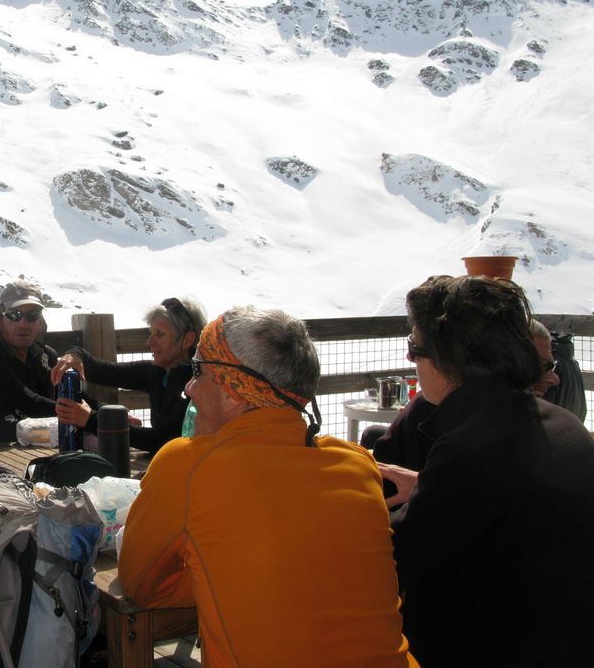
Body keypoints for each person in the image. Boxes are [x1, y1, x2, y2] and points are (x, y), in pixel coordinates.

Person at [118, 306, 417, 667]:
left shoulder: (188, 466)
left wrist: (208, 573)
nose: (188, 388)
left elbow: (142, 586)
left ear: (233, 391)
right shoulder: (357, 466)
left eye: (198, 371)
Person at [380, 276, 594, 667]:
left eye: (414, 347)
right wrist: (430, 487)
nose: (410, 360)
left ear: (448, 358)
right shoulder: (564, 425)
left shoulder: (472, 448)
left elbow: (391, 562)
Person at [371, 318, 562, 470]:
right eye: (540, 366)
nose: (555, 379)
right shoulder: (437, 415)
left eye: (550, 366)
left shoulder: (540, 423)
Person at [51, 296, 206, 454]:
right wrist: (75, 354)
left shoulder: (198, 383)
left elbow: (161, 441)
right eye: (150, 333)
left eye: (160, 335)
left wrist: (91, 420)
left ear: (187, 340)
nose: (149, 342)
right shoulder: (158, 371)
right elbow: (103, 371)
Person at [0, 280, 85, 442]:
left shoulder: (45, 355)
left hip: (36, 444)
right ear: (0, 320)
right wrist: (86, 416)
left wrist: (101, 411)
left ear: (39, 322)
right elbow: (28, 401)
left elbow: (65, 393)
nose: (23, 323)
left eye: (32, 316)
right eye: (15, 315)